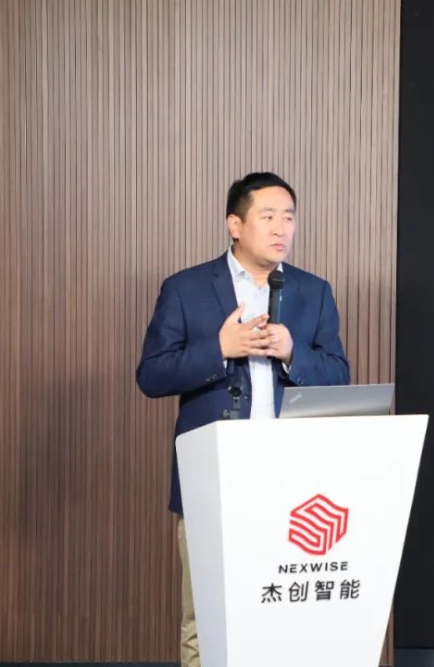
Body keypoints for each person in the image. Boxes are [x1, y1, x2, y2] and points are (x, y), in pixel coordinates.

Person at [135, 172, 351, 667]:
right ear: (235, 225)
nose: (281, 228)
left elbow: (339, 375)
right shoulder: (186, 288)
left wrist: (294, 353)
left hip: (293, 482)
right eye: (267, 216)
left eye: (289, 217)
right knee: (206, 616)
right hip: (213, 477)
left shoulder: (313, 291)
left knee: (283, 611)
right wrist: (220, 349)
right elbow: (151, 375)